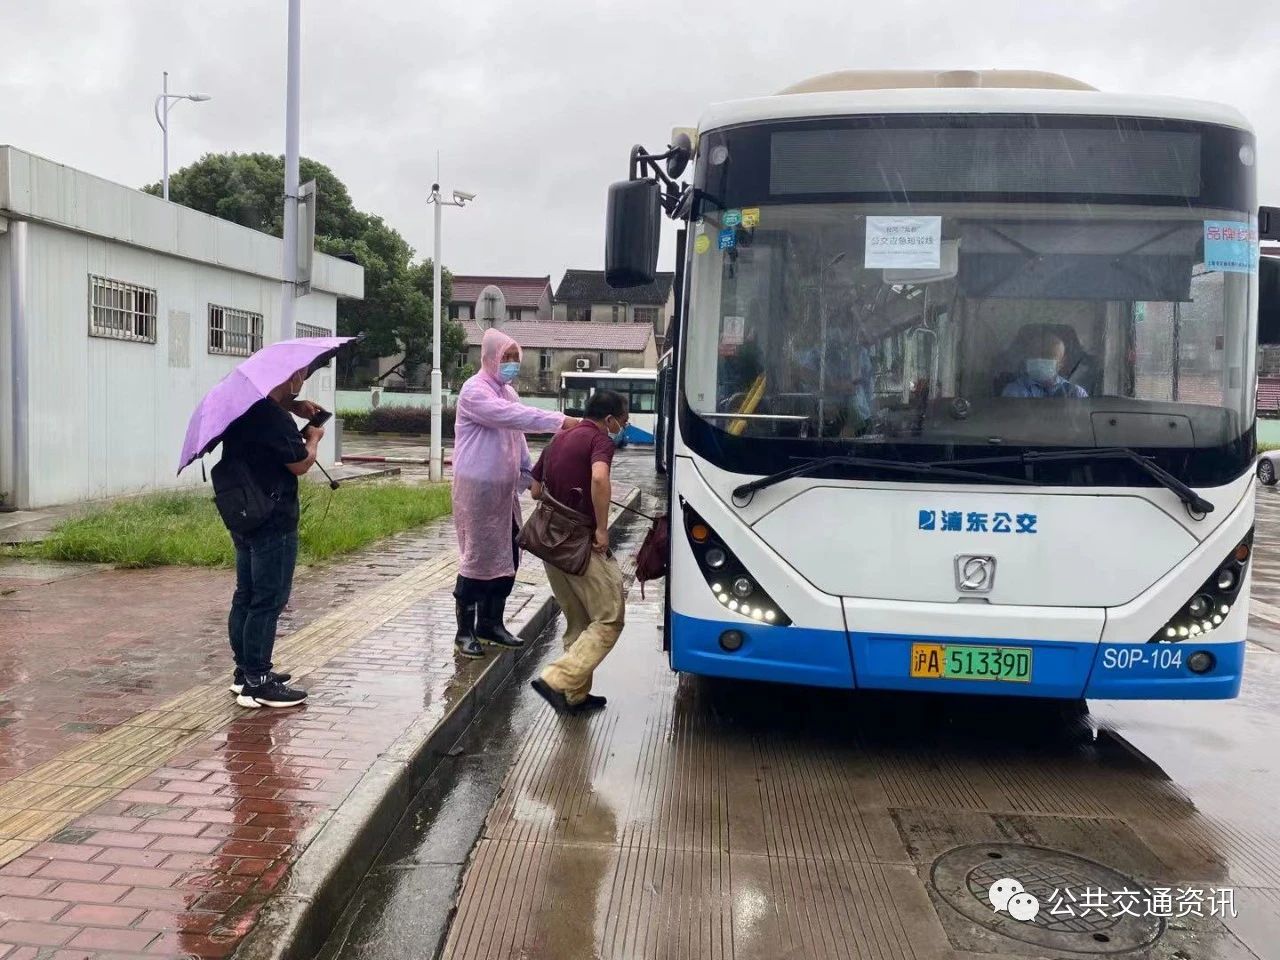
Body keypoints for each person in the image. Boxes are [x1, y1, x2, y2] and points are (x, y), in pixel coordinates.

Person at [452, 328, 578, 659]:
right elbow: (514, 418)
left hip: (505, 493)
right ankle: (464, 631)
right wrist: (561, 421)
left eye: (514, 358)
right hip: (477, 492)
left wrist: (529, 475)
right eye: (505, 357)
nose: (510, 364)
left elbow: (517, 435)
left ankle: (490, 624)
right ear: (489, 357)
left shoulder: (508, 393)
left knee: (508, 554)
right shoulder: (474, 392)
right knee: (477, 559)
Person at [221, 368, 322, 709]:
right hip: (273, 517)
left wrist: (293, 407)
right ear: (290, 376)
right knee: (268, 600)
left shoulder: (244, 410)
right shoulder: (272, 417)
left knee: (246, 595)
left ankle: (245, 673)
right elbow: (299, 464)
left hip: (244, 514)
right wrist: (313, 439)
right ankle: (259, 681)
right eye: (301, 376)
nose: (303, 382)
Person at [528, 389, 629, 714]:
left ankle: (574, 696)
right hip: (579, 543)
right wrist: (601, 528)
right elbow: (599, 478)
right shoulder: (600, 441)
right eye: (623, 420)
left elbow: (535, 489)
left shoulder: (562, 437)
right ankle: (557, 679)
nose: (622, 426)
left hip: (549, 543)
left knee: (578, 620)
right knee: (609, 618)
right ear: (610, 418)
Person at [1002, 330, 1088, 398]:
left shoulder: (1076, 394)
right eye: (1035, 354)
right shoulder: (1013, 392)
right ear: (1027, 357)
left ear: (1062, 362)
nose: (1040, 360)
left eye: (1048, 355)